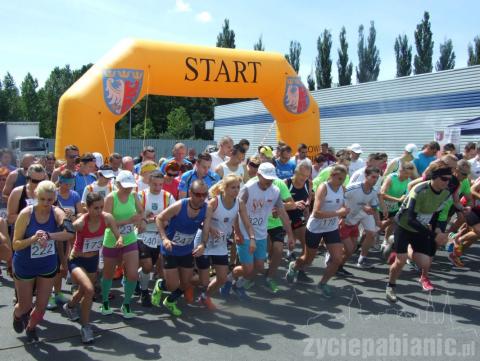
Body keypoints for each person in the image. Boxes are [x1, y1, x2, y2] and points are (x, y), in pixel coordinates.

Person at [221, 163, 295, 299]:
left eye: (271, 179)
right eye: (266, 178)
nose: (269, 182)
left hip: (261, 233)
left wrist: (290, 235)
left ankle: (237, 284)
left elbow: (282, 213)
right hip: (245, 232)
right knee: (247, 268)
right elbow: (236, 210)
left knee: (259, 267)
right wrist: (236, 231)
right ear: (259, 175)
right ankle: (229, 280)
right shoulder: (248, 189)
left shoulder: (275, 191)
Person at [12, 180, 74, 342]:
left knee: (41, 305)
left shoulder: (56, 212)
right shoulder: (26, 214)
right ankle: (18, 315)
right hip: (25, 265)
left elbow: (69, 233)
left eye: (50, 199)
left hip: (47, 265)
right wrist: (33, 239)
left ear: (54, 198)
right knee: (24, 306)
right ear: (35, 196)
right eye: (42, 199)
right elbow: (16, 244)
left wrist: (49, 235)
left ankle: (31, 327)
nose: (46, 203)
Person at [63, 192, 122, 343]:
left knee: (83, 290)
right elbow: (69, 230)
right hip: (77, 260)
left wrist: (119, 240)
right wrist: (70, 218)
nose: (99, 211)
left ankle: (69, 306)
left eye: (101, 207)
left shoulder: (107, 218)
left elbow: (117, 234)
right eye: (96, 208)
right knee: (89, 289)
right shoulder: (82, 222)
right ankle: (85, 327)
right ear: (87, 208)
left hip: (93, 260)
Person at [386, 167, 452, 302]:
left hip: (421, 229)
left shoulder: (446, 193)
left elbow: (437, 214)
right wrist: (433, 235)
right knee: (401, 261)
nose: (447, 182)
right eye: (444, 179)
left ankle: (398, 245)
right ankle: (391, 286)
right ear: (434, 178)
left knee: (425, 263)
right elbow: (410, 219)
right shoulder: (419, 190)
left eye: (449, 179)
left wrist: (438, 230)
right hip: (404, 226)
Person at [286, 165, 349, 298]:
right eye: (339, 178)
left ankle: (322, 283)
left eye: (343, 179)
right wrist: (338, 213)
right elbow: (317, 213)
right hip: (315, 228)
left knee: (337, 259)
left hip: (331, 228)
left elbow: (343, 207)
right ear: (331, 176)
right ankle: (294, 266)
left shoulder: (342, 189)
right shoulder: (323, 188)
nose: (342, 181)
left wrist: (343, 215)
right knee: (308, 260)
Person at [193, 175, 254, 310]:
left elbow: (247, 223)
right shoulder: (214, 202)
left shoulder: (239, 203)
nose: (236, 190)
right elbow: (205, 222)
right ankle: (183, 285)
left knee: (221, 278)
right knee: (202, 279)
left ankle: (204, 296)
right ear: (224, 188)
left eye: (238, 187)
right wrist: (205, 239)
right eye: (233, 187)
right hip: (204, 239)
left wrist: (252, 239)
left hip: (220, 242)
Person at [152, 179, 210, 316]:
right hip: (170, 249)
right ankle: (160, 285)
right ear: (190, 193)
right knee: (172, 285)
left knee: (186, 283)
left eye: (204, 194)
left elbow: (206, 229)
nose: (201, 198)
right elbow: (159, 218)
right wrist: (164, 238)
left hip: (186, 250)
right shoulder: (180, 205)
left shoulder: (207, 208)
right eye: (197, 194)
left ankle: (170, 301)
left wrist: (203, 244)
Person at [101, 170, 144, 318]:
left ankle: (126, 304)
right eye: (125, 186)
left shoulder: (133, 195)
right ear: (118, 184)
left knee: (132, 275)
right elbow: (105, 223)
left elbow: (141, 211)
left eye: (131, 185)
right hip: (112, 240)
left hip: (130, 239)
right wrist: (128, 221)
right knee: (108, 274)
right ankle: (105, 301)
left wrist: (141, 220)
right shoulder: (110, 198)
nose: (128, 188)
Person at [136, 171, 174, 306]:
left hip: (160, 235)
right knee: (147, 266)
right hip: (143, 234)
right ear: (149, 182)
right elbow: (138, 219)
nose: (158, 188)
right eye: (154, 184)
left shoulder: (168, 196)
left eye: (160, 184)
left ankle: (137, 279)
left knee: (157, 267)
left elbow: (171, 217)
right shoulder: (141, 195)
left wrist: (151, 219)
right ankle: (144, 292)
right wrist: (157, 219)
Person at [285, 161, 312, 282]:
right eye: (302, 175)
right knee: (274, 250)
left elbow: (309, 197)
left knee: (307, 244)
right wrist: (292, 204)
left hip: (298, 216)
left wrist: (307, 207)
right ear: (295, 172)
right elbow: (275, 204)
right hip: (282, 217)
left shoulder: (308, 183)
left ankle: (299, 269)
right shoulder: (286, 183)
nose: (304, 178)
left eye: (307, 175)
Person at [379, 162, 414, 250]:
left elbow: (405, 195)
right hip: (381, 205)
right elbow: (382, 194)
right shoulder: (391, 178)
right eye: (406, 173)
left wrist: (404, 197)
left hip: (394, 205)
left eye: (410, 174)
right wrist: (398, 200)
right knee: (377, 226)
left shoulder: (408, 181)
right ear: (401, 171)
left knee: (393, 222)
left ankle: (385, 241)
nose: (408, 176)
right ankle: (371, 235)